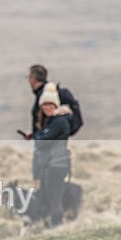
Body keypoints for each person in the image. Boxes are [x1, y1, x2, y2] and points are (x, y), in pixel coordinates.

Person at [33, 82, 72, 227]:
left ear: (56, 105)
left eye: (50, 104)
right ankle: (54, 225)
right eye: (44, 104)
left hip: (56, 164)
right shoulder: (53, 121)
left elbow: (41, 142)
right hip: (53, 164)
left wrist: (39, 135)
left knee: (54, 198)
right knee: (50, 197)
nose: (47, 107)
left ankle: (58, 227)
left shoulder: (59, 121)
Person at [25, 64, 80, 139]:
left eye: (28, 77)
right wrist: (37, 134)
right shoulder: (52, 93)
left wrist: (44, 134)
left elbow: (49, 125)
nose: (28, 81)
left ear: (33, 78)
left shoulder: (45, 95)